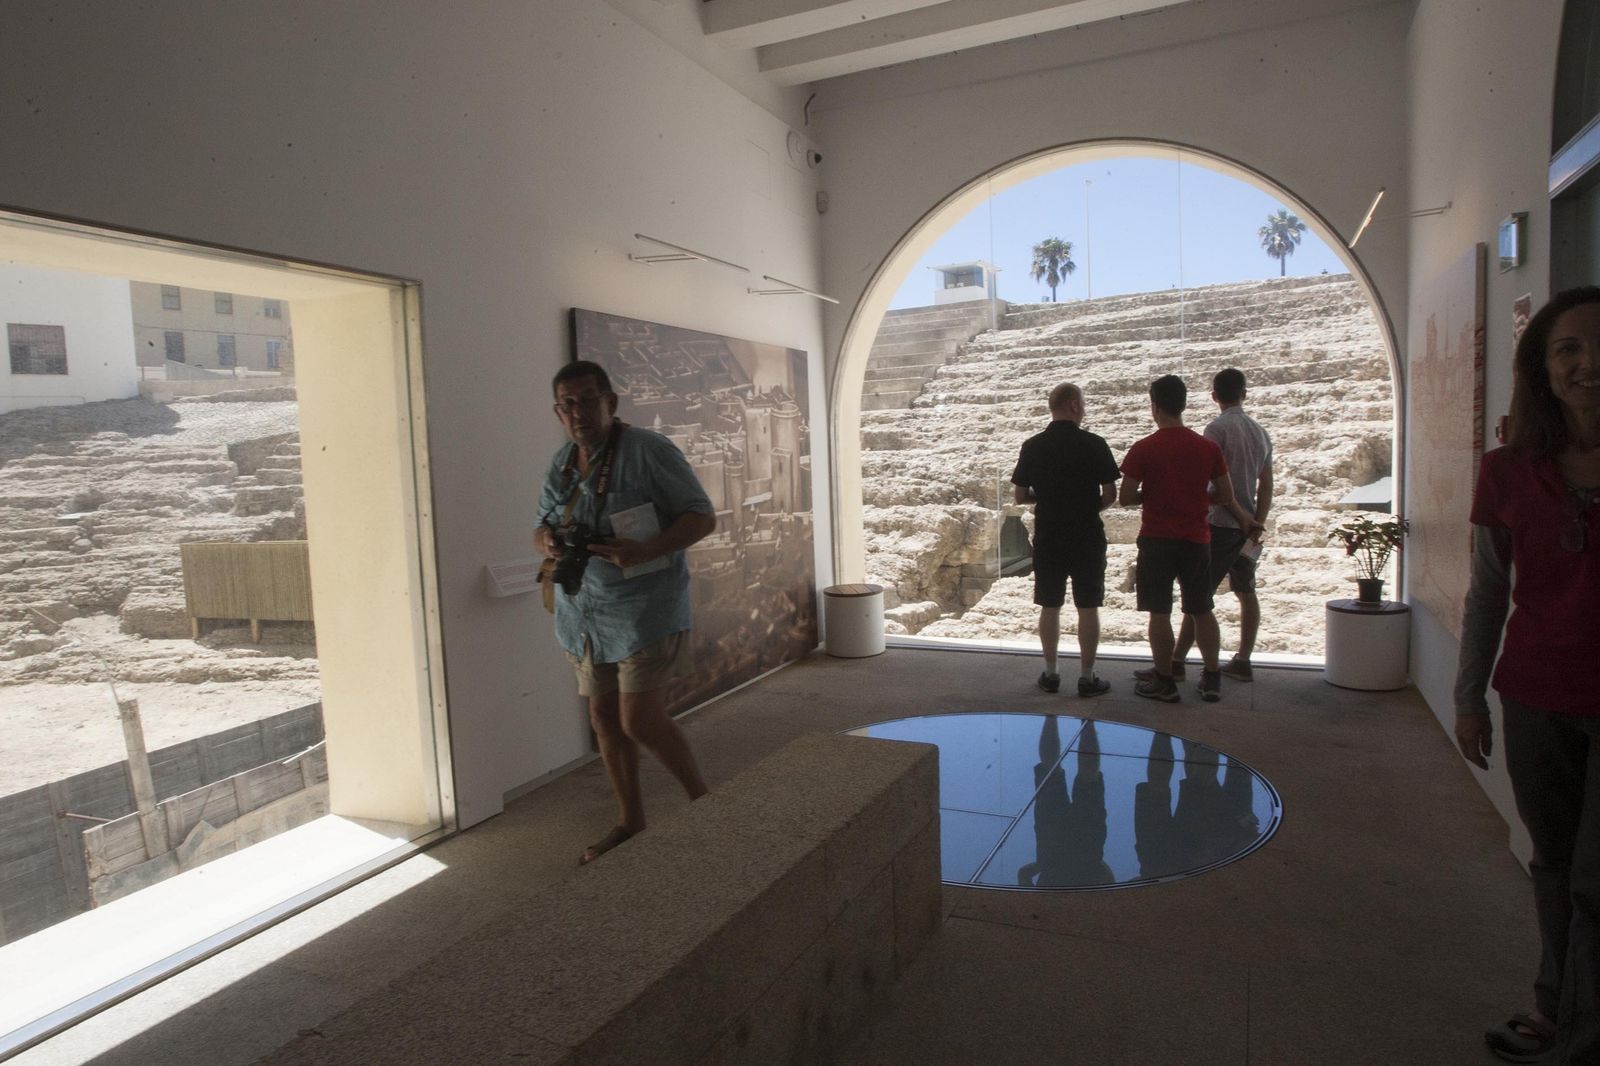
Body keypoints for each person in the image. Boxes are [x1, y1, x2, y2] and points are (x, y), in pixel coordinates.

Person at [1455, 288, 1600, 1064]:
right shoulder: (1509, 470)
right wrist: (1467, 694)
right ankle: (1555, 1004)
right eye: (1569, 349)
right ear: (1542, 369)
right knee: (1551, 864)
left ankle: (1580, 1036)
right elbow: (1487, 590)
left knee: (1593, 879)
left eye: (1597, 346)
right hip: (1537, 694)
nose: (1588, 363)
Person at [534, 359, 718, 865]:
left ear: (610, 403)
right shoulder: (564, 463)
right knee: (604, 719)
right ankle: (631, 821)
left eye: (588, 400)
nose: (578, 412)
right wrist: (547, 539)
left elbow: (702, 517)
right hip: (585, 615)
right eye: (567, 404)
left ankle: (710, 806)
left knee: (638, 719)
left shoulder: (648, 451)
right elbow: (537, 527)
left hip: (644, 610)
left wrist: (649, 548)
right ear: (558, 412)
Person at [1119, 375, 1258, 703]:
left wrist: (1154, 495)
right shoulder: (1206, 447)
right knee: (1201, 608)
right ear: (1183, 404)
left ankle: (1165, 680)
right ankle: (1211, 678)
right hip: (1196, 538)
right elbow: (1224, 493)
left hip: (1156, 538)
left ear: (1154, 405)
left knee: (1159, 612)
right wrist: (1194, 497)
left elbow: (1125, 497)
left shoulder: (1144, 448)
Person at [1011, 382, 1120, 696]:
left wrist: (1048, 499)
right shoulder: (1095, 443)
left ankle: (1051, 673)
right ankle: (1087, 677)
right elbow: (1110, 494)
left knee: (1050, 604)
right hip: (1086, 533)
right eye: (1082, 403)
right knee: (1088, 606)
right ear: (1074, 405)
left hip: (1049, 533)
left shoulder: (1032, 445)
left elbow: (1020, 495)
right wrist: (1085, 505)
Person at [1172, 368, 1274, 682]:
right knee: (1246, 591)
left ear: (1214, 396)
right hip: (1249, 529)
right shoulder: (1260, 432)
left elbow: (1217, 485)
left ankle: (1176, 662)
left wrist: (1239, 514)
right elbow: (1266, 484)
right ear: (1244, 393)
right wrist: (1256, 521)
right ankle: (1243, 658)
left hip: (1220, 525)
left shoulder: (1215, 429)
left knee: (1198, 597)